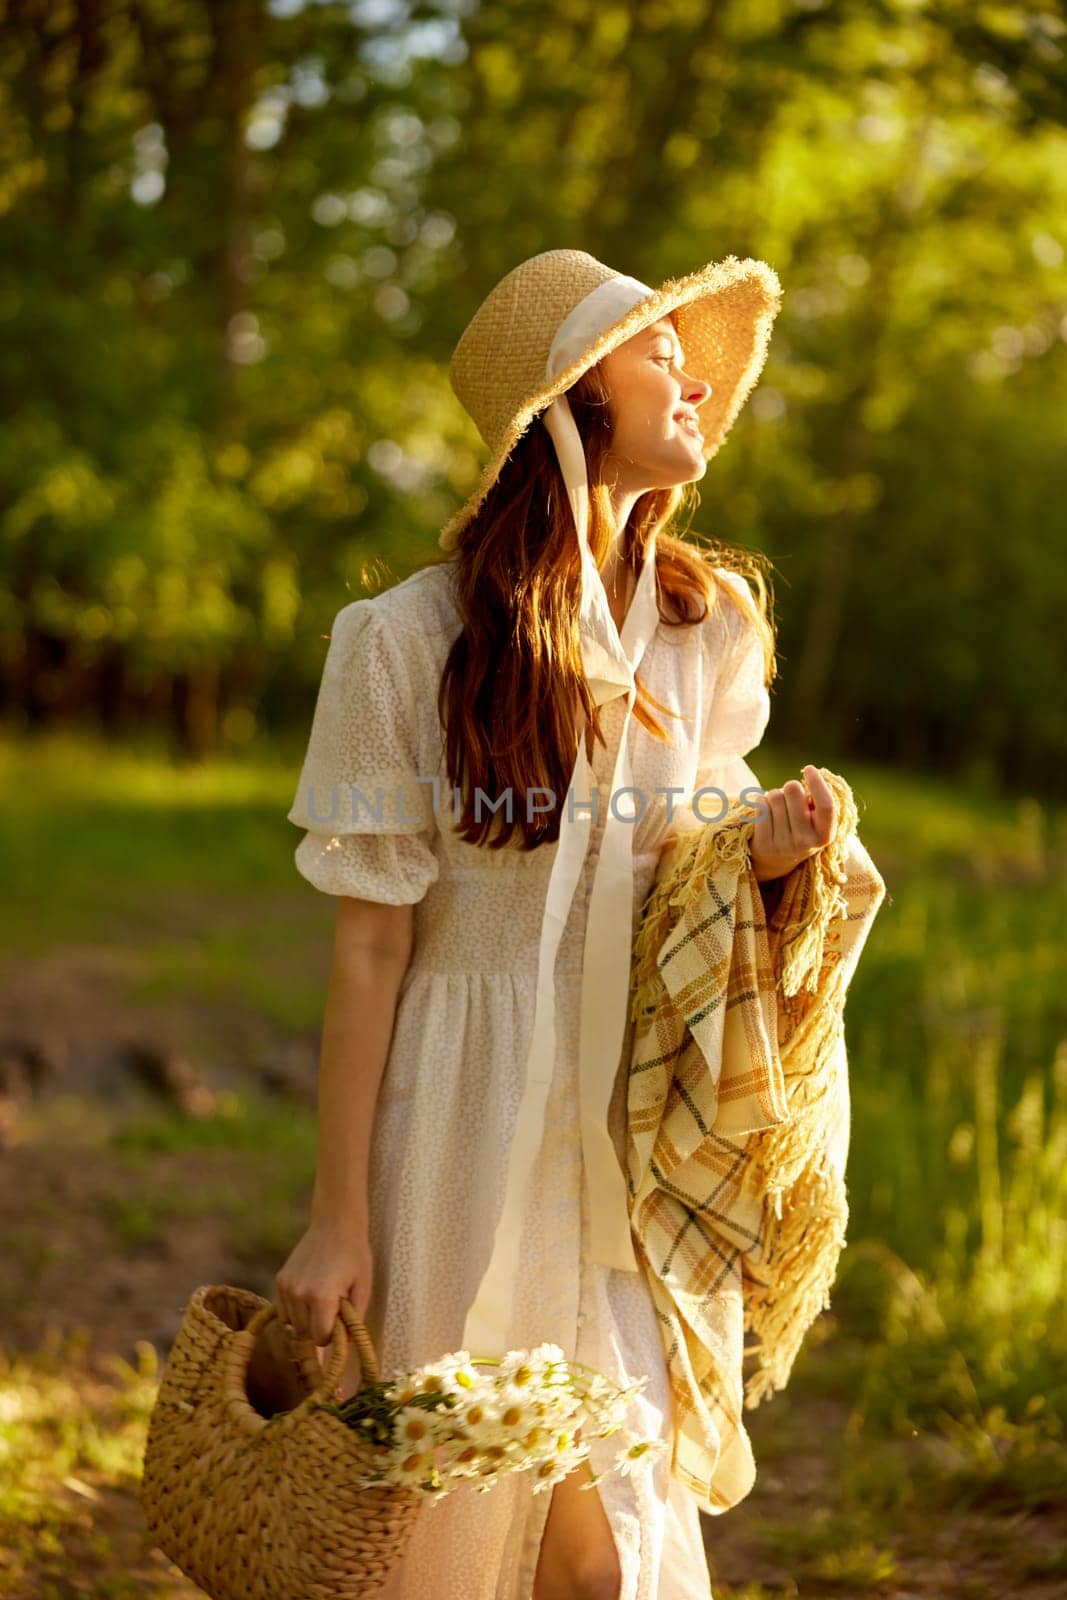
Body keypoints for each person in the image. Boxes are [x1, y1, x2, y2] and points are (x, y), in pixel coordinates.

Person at [275, 248, 837, 1600]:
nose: (696, 378)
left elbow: (692, 875)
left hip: (625, 1129)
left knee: (601, 1563)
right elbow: (369, 946)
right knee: (470, 1535)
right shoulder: (404, 642)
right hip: (463, 1115)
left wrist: (764, 848)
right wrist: (336, 1217)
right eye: (658, 353)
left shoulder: (706, 628)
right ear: (574, 399)